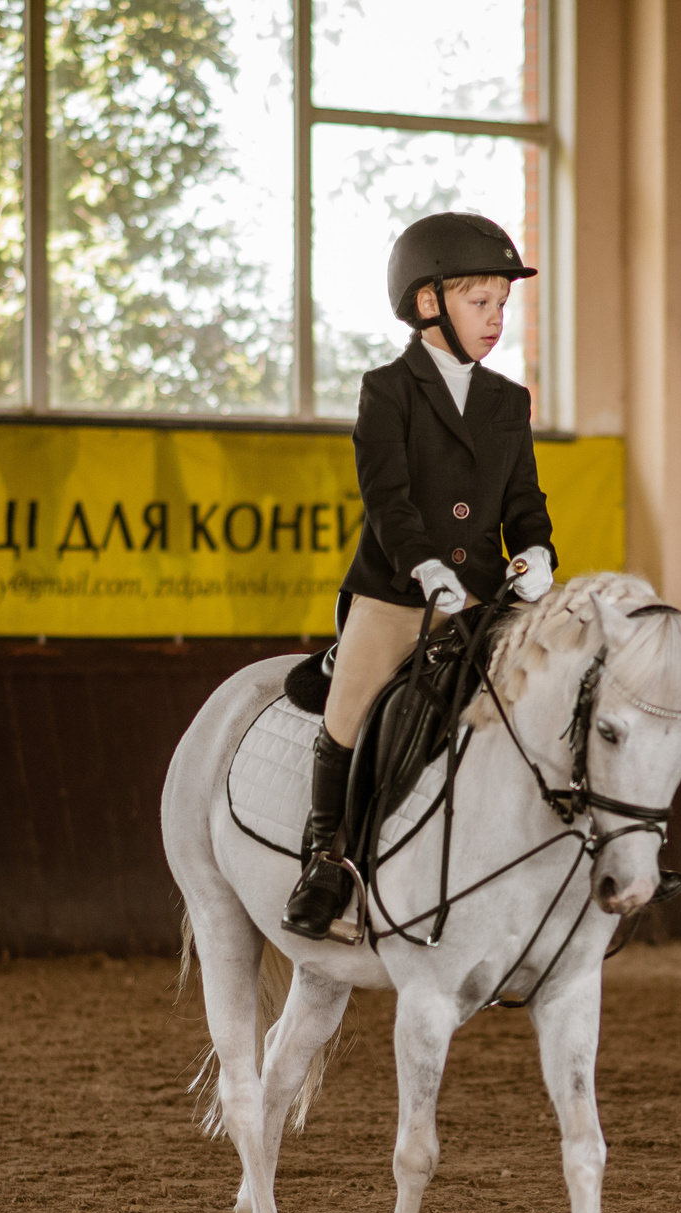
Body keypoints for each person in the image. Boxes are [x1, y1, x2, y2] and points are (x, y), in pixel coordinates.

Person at [281, 212, 559, 940]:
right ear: (429, 302)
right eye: (481, 302)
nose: (497, 318)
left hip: (487, 597)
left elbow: (523, 499)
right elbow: (387, 499)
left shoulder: (509, 401)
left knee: (565, 691)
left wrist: (537, 552)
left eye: (503, 304)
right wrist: (424, 565)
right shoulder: (388, 390)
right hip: (398, 593)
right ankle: (325, 862)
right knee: (351, 709)